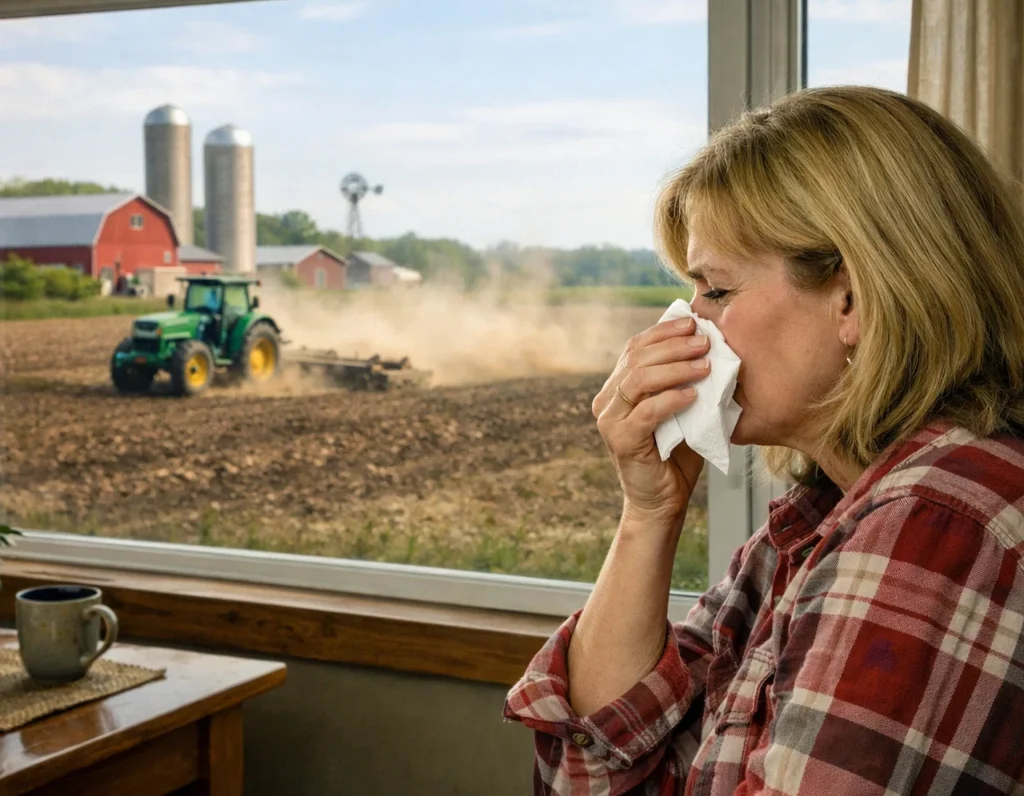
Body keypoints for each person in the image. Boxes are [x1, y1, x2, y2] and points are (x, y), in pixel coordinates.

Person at [503, 84, 1024, 795]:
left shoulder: (940, 523)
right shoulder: (815, 523)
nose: (685, 328)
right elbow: (590, 777)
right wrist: (650, 512)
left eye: (716, 291)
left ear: (854, 300)